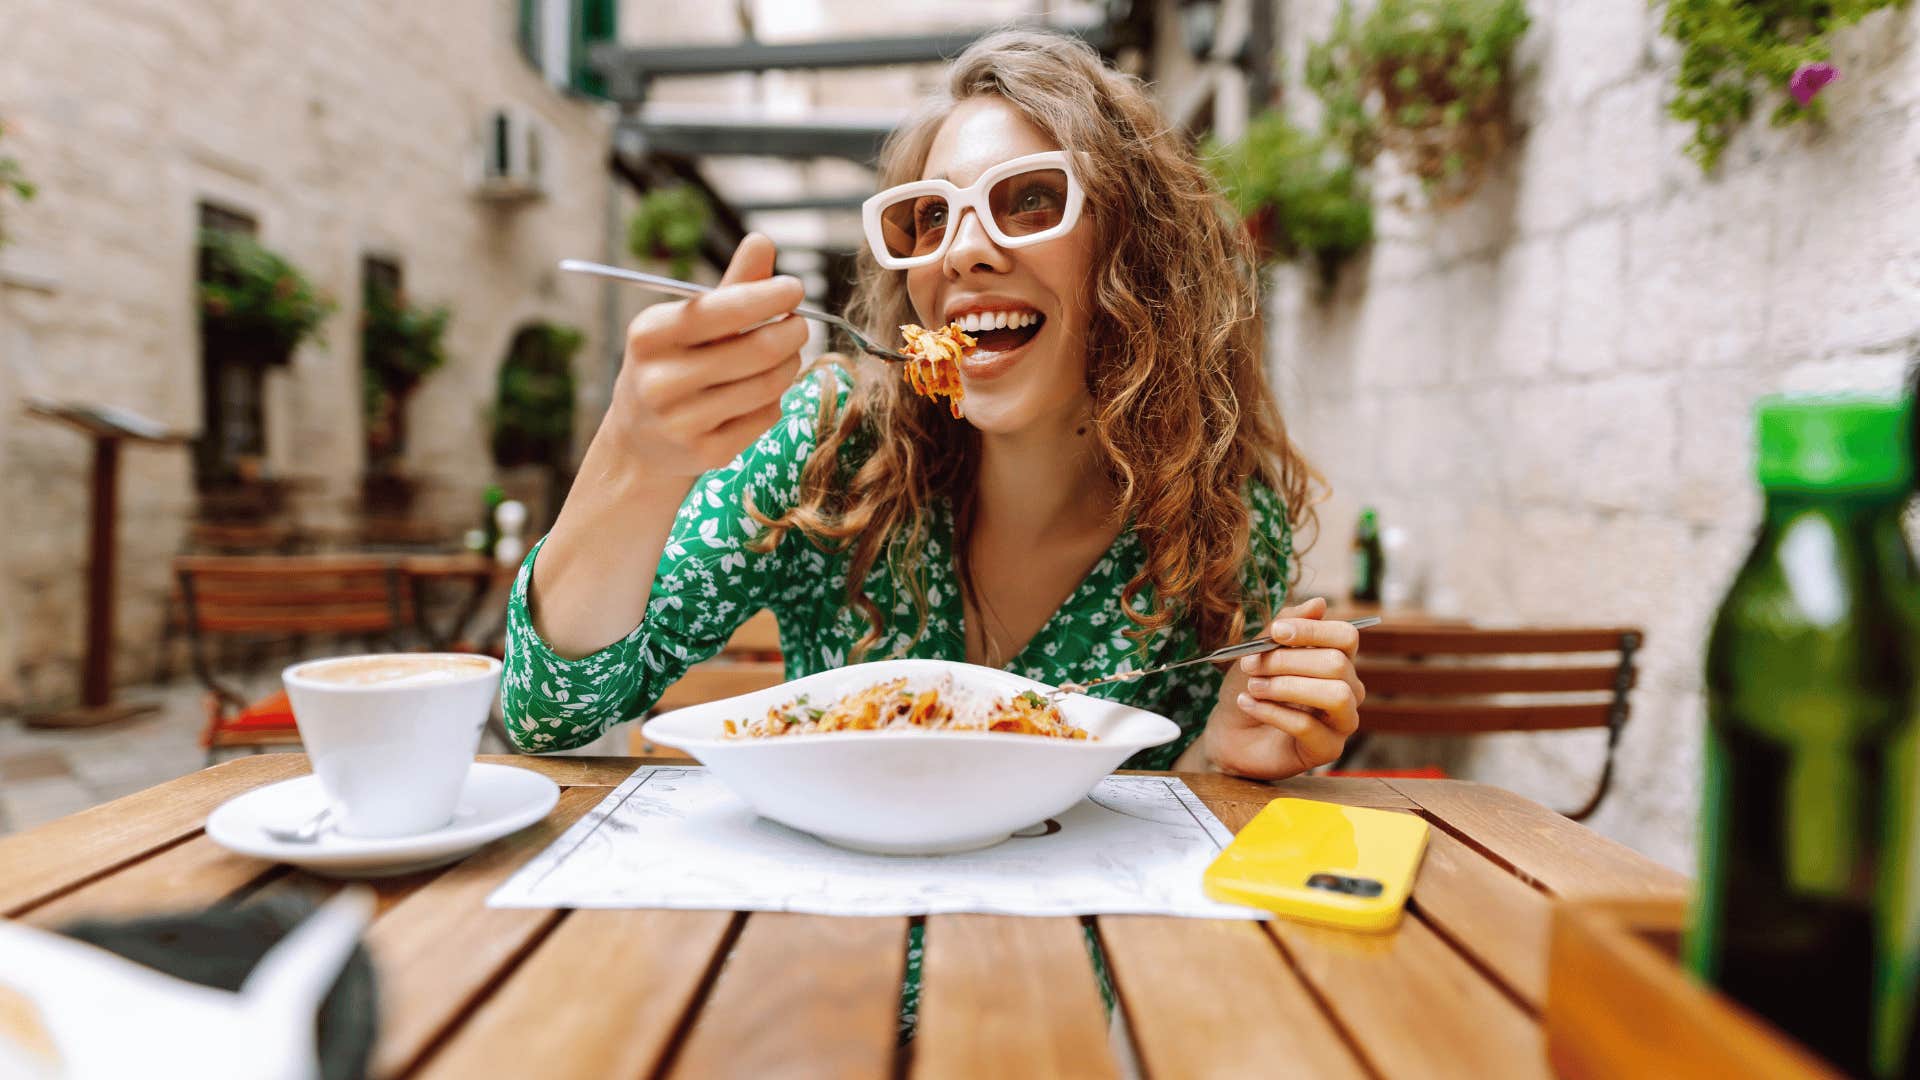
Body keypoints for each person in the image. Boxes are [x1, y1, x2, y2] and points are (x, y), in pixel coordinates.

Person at [501, 29, 1364, 777]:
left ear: (1139, 255)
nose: (963, 252)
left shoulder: (1221, 523)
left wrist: (1226, 753)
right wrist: (633, 457)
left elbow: (1166, 817)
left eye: (1031, 199)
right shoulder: (833, 443)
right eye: (927, 217)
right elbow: (550, 717)